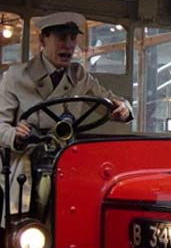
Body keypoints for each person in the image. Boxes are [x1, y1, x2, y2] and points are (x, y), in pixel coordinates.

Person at [0, 12, 132, 149]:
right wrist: (15, 135)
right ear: (42, 40)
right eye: (62, 38)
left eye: (73, 38)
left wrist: (124, 109)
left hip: (65, 156)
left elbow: (110, 101)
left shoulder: (79, 75)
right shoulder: (16, 76)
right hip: (26, 159)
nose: (69, 45)